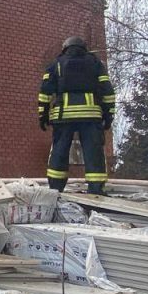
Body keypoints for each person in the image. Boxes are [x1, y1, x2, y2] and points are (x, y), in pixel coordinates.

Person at [37, 36, 116, 194]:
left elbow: (45, 92)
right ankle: (96, 189)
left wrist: (43, 115)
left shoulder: (56, 64)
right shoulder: (95, 64)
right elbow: (107, 91)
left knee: (59, 150)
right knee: (93, 151)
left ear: (65, 48)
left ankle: (55, 188)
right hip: (90, 116)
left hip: (63, 116)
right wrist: (108, 115)